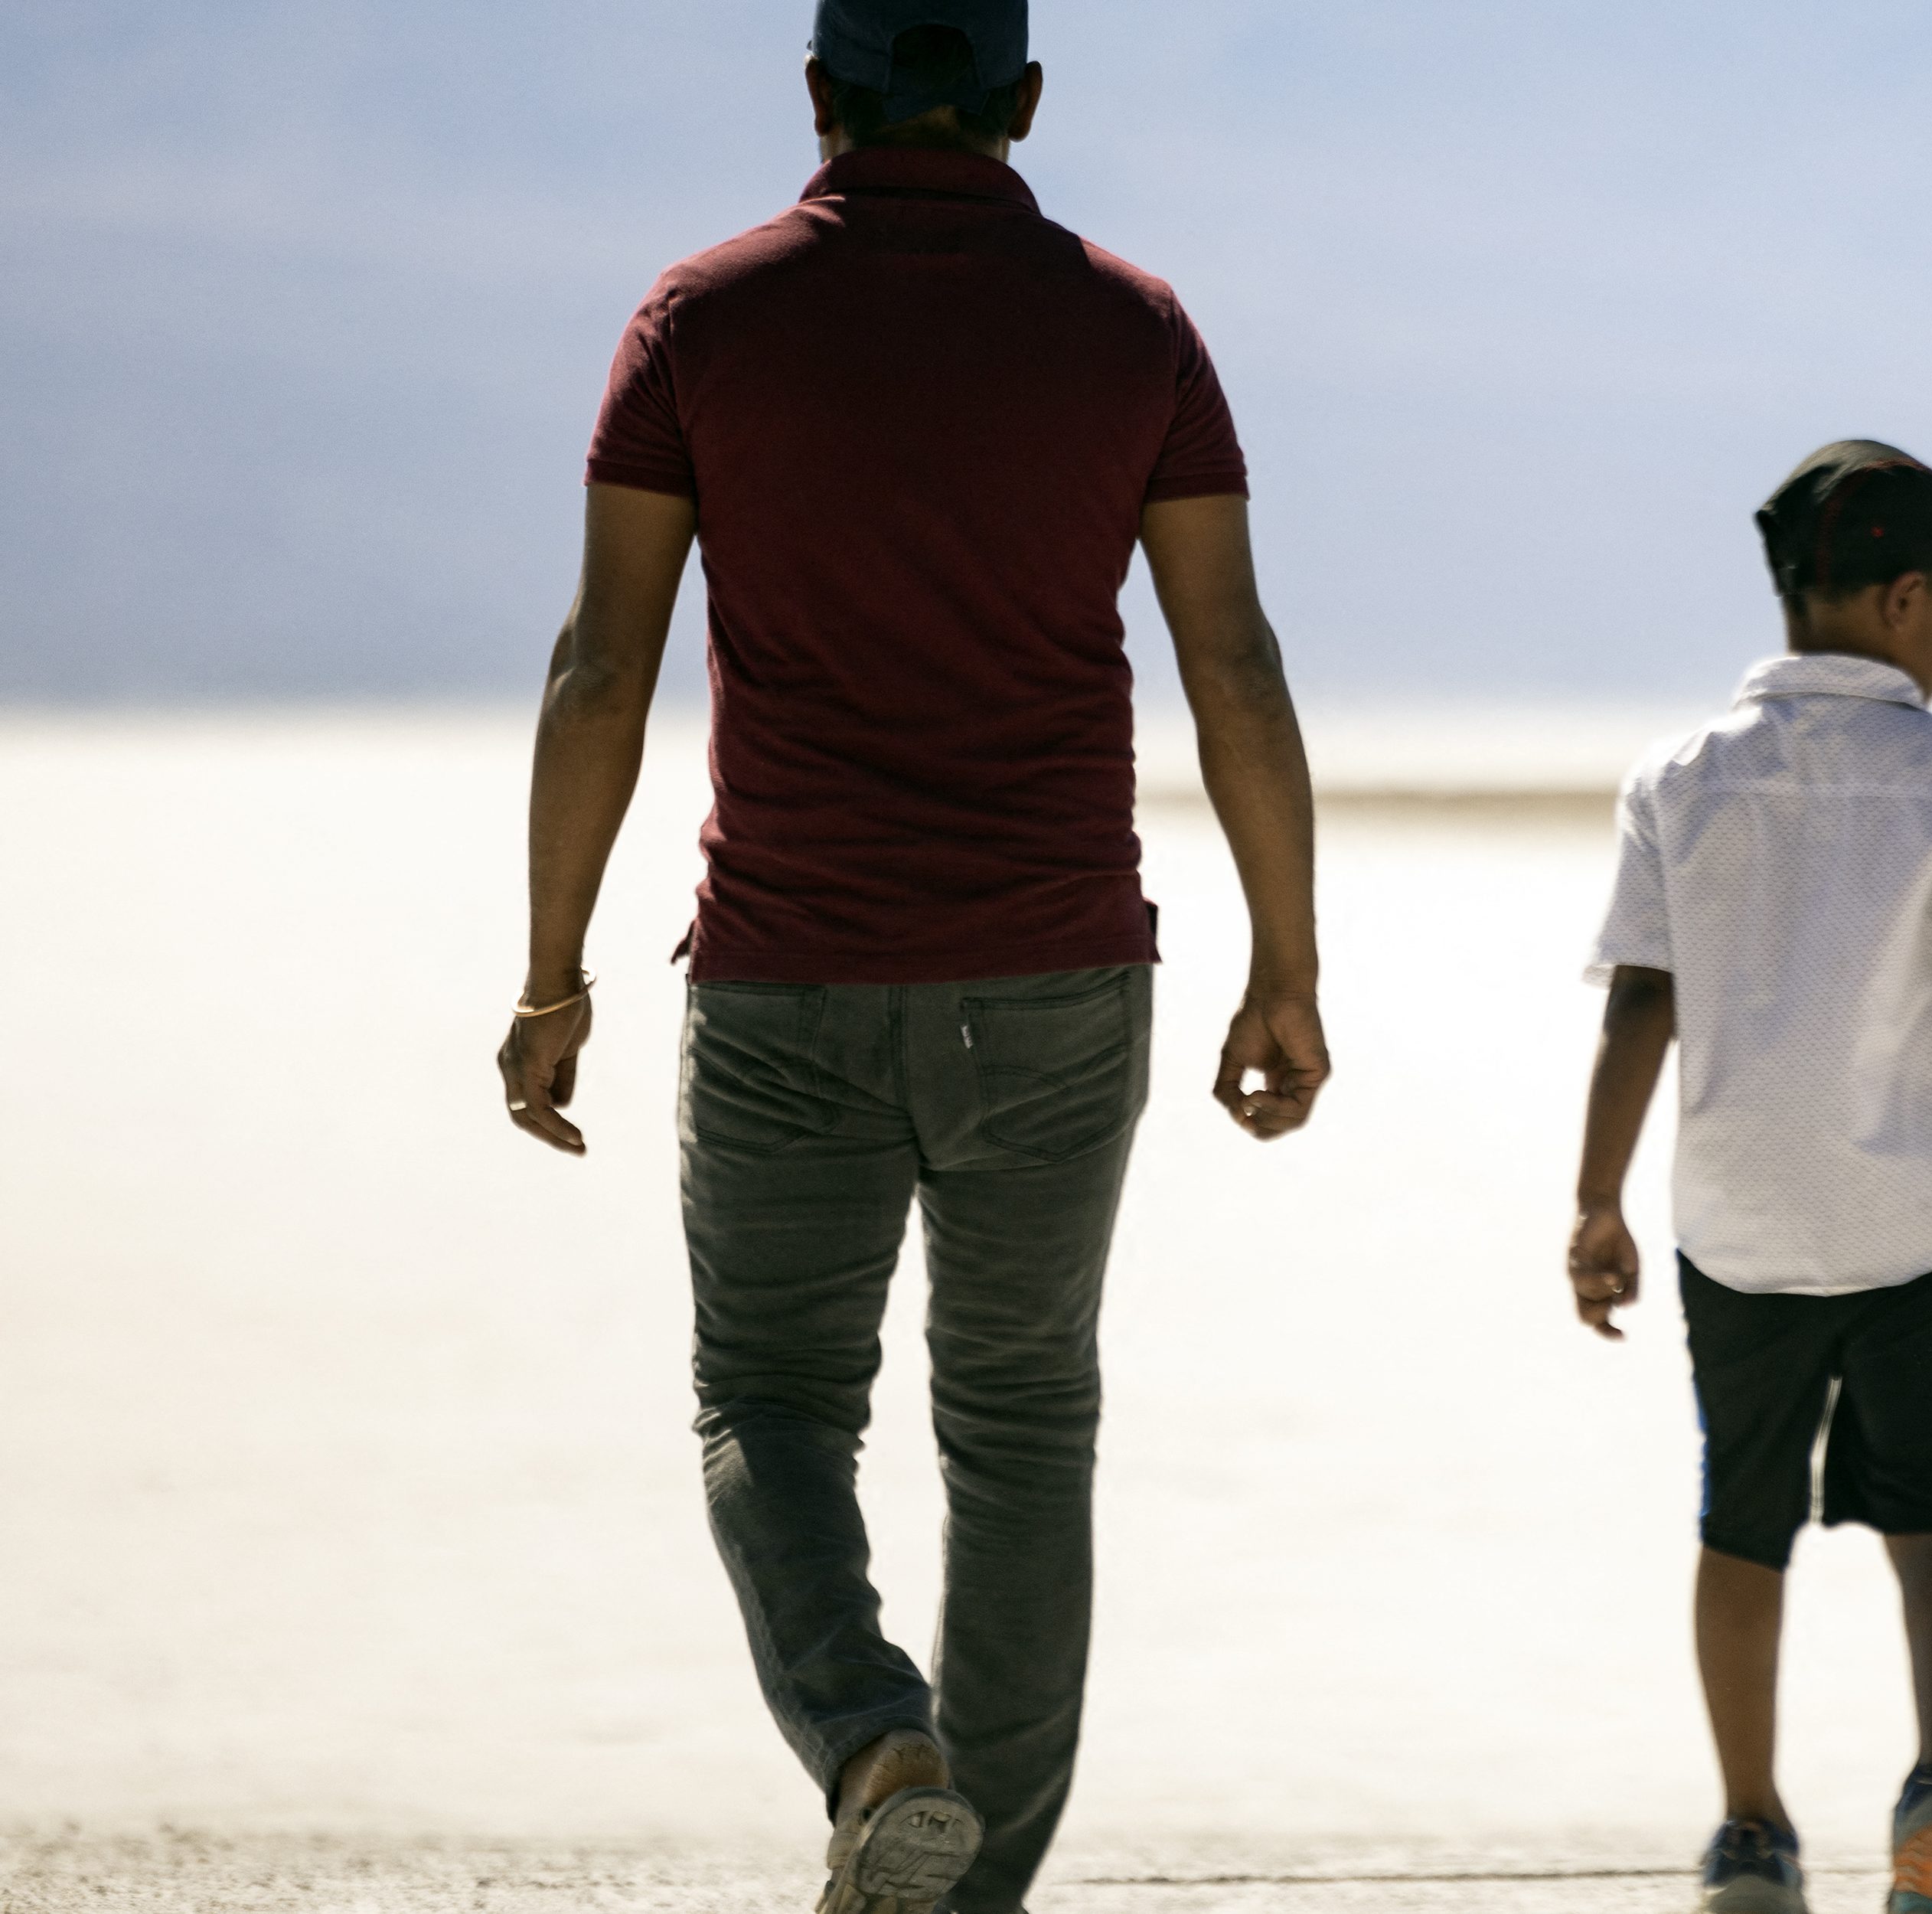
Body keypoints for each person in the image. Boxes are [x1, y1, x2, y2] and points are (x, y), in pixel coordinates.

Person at [490, 5, 1330, 1909]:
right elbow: (1235, 659)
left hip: (786, 963)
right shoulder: (1135, 329)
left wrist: (554, 966)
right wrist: (1284, 957)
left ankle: (878, 1747)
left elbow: (604, 661)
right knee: (1024, 1425)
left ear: (818, 95)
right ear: (1024, 100)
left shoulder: (704, 321)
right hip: (1053, 967)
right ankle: (974, 1885)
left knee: (771, 1402)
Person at [1565, 442, 1932, 1914]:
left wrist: (1595, 1197)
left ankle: (1750, 1828)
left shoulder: (1681, 775)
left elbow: (1638, 1006)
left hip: (1736, 1220)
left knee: (1742, 1520)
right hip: (1922, 1216)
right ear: (1908, 597)